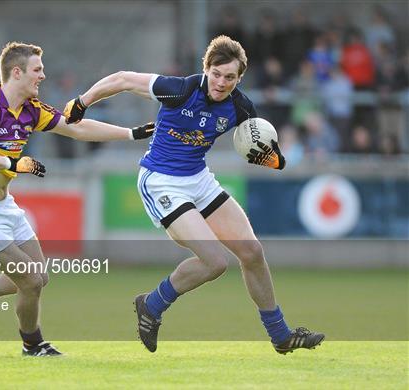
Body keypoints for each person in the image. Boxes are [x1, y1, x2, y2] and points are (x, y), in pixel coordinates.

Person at [64, 35, 324, 354]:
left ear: (239, 78)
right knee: (214, 262)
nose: (221, 82)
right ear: (207, 69)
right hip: (160, 181)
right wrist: (82, 101)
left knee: (252, 252)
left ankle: (281, 335)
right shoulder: (181, 88)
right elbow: (122, 79)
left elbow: (263, 140)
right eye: (216, 74)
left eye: (230, 77)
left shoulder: (241, 106)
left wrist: (274, 157)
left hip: (198, 180)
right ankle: (153, 304)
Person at [0, 42, 153, 357]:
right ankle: (33, 345)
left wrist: (130, 134)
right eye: (37, 69)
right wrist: (10, 163)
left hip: (4, 206)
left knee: (39, 276)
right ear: (17, 72)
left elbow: (77, 129)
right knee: (30, 279)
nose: (43, 75)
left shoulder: (30, 109)